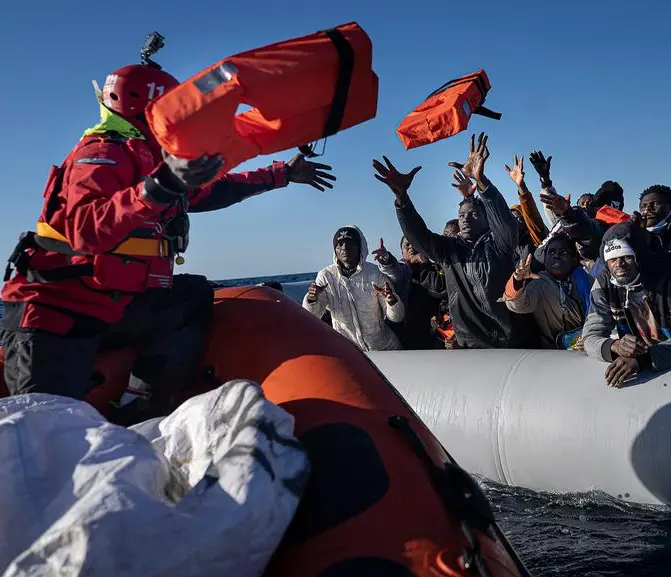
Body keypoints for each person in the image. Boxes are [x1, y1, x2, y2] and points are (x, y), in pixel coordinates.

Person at [0, 47, 335, 424]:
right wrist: (155, 190)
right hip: (61, 311)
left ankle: (142, 411)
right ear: (146, 110)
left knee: (190, 296)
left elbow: (213, 191)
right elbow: (84, 228)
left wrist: (281, 174)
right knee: (45, 431)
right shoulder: (102, 153)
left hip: (117, 304)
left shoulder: (153, 162)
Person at [373, 133, 520, 349]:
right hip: (469, 344)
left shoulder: (499, 245)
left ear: (486, 219)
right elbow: (419, 236)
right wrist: (402, 199)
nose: (465, 219)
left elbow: (505, 223)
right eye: (461, 215)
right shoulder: (449, 250)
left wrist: (481, 181)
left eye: (473, 214)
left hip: (510, 341)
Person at [582, 222, 671, 387]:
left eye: (627, 257)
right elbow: (590, 337)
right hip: (644, 373)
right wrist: (615, 346)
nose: (619, 265)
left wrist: (645, 359)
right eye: (612, 259)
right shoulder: (604, 284)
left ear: (641, 256)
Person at [302, 226, 404, 351]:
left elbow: (397, 317)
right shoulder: (326, 276)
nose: (344, 247)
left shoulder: (375, 273)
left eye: (350, 243)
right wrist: (312, 299)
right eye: (340, 244)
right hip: (349, 352)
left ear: (359, 247)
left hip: (384, 348)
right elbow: (311, 316)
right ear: (334, 249)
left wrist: (392, 302)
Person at [503, 233, 593, 350]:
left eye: (564, 252)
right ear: (544, 260)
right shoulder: (540, 283)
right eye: (551, 252)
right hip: (555, 351)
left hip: (590, 341)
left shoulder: (585, 279)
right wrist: (517, 282)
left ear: (574, 259)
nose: (556, 256)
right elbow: (519, 305)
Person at [372, 237, 446, 350]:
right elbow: (394, 272)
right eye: (407, 245)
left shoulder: (436, 269)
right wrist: (387, 260)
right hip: (404, 337)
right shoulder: (402, 270)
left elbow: (441, 290)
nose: (411, 247)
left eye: (414, 243)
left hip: (433, 337)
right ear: (402, 252)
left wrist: (425, 263)